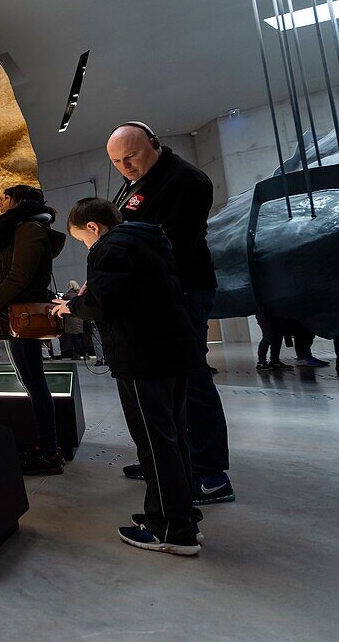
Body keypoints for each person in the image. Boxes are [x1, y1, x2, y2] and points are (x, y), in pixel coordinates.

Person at [53, 197, 202, 556]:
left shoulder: (110, 248)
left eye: (83, 240)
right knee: (173, 438)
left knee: (154, 443)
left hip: (142, 354)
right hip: (173, 350)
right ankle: (181, 517)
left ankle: (170, 528)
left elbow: (104, 304)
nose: (86, 246)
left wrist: (70, 305)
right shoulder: (150, 241)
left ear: (93, 227)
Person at [107, 121, 234, 503]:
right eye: (117, 161)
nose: (125, 166)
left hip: (182, 290)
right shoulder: (137, 183)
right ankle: (172, 462)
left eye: (131, 156)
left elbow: (174, 244)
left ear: (154, 144)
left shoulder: (185, 181)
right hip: (152, 293)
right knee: (165, 382)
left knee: (191, 378)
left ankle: (210, 472)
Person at [0, 184, 66, 475]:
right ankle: (45, 446)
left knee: (35, 385)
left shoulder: (29, 229)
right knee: (32, 384)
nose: (0, 203)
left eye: (4, 198)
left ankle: (49, 452)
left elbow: (18, 278)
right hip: (13, 314)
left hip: (21, 317)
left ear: (17, 201)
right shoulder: (21, 229)